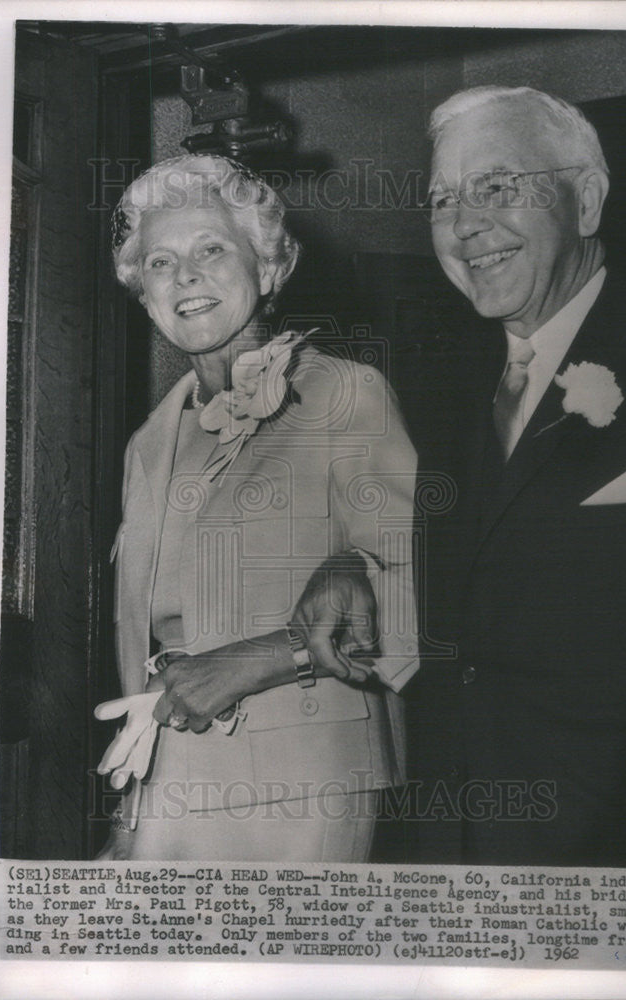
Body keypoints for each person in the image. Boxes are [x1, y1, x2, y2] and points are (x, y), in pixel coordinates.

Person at [93, 154, 418, 862]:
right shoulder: (149, 441)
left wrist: (255, 659)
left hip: (299, 778)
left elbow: (409, 581)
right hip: (168, 770)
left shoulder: (343, 394)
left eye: (211, 250)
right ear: (143, 294)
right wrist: (133, 796)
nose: (185, 276)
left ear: (269, 268)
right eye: (159, 262)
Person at [408, 86, 626, 866]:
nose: (463, 225)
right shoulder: (435, 386)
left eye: (497, 187)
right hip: (453, 854)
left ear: (586, 199)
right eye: (440, 200)